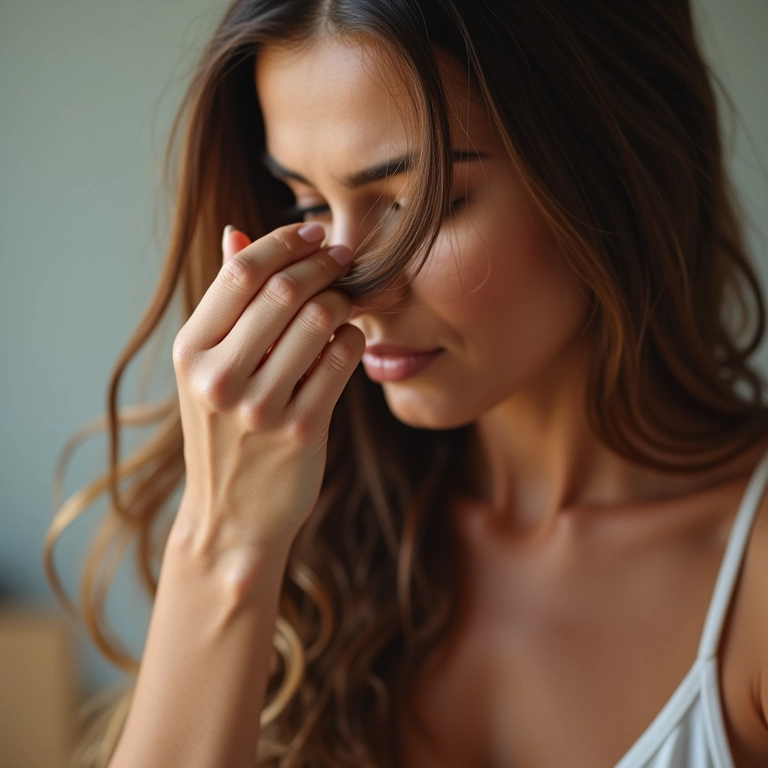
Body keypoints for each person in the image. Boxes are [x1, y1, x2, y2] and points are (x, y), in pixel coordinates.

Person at [45, 1, 768, 766]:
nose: (355, 287)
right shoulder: (314, 529)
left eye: (426, 206)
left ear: (619, 168)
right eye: (308, 205)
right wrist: (224, 542)